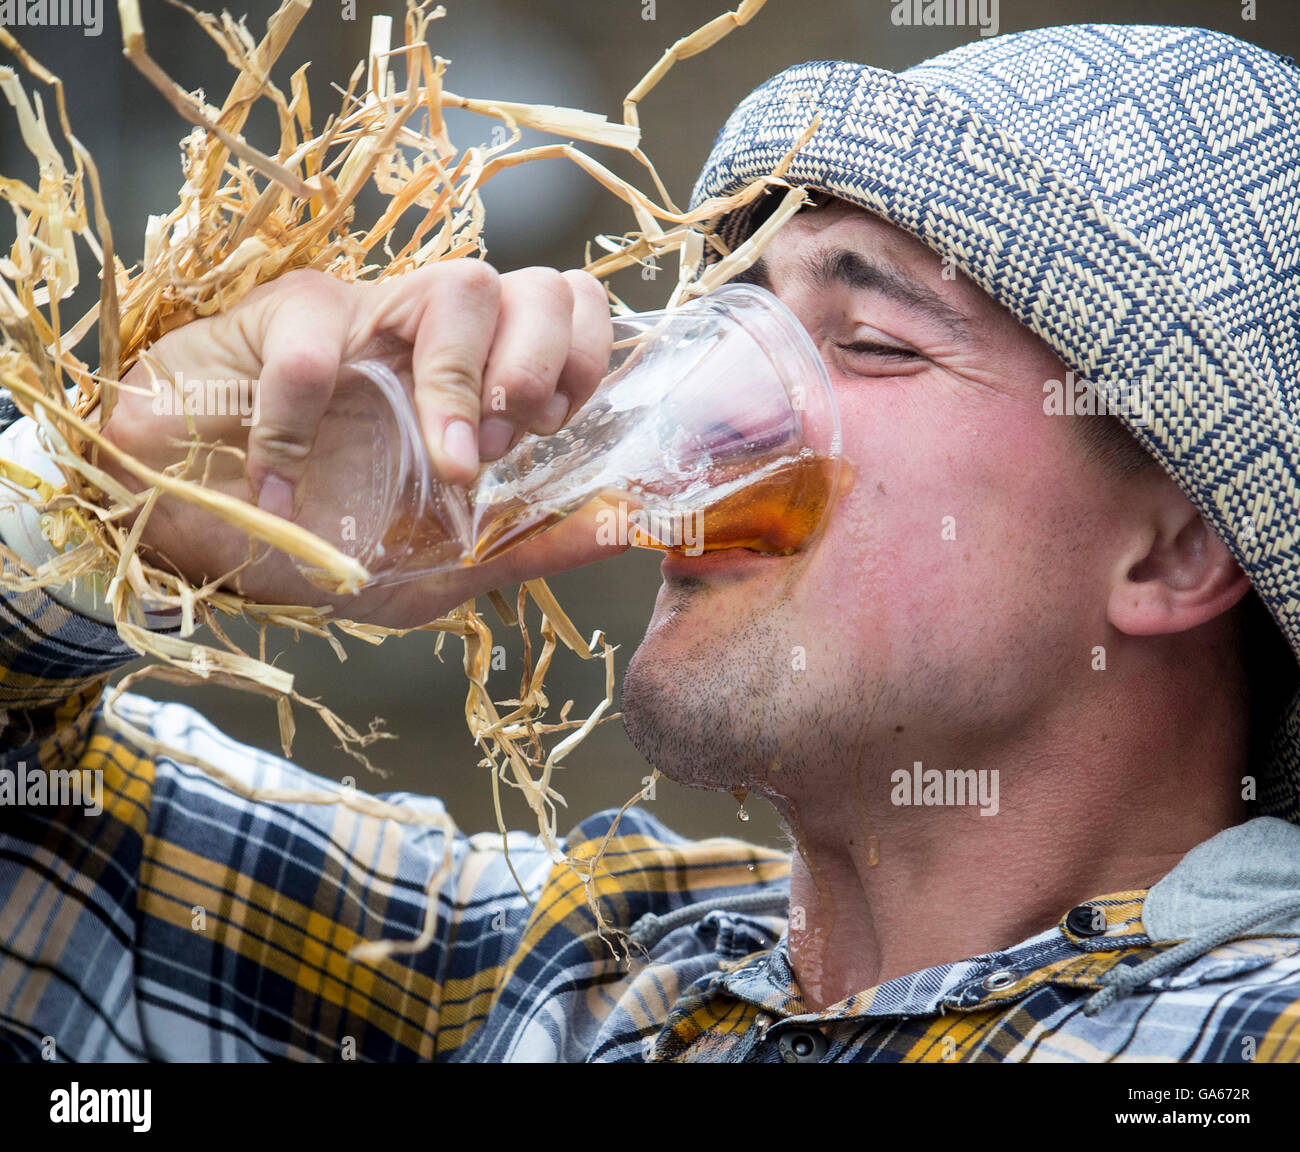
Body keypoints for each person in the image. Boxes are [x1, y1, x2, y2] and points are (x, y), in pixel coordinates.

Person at [3, 23, 1300, 1063]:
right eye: (730, 322)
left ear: (1176, 551)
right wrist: (111, 507)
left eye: (872, 343)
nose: (706, 431)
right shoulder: (560, 973)